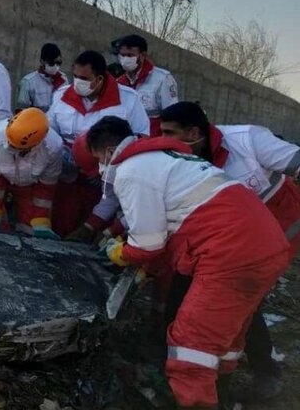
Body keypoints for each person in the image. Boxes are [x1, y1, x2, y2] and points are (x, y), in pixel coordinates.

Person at [88, 116, 289, 409]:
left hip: (231, 251)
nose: (99, 167)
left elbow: (147, 244)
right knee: (225, 337)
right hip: (264, 244)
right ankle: (222, 396)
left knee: (191, 346)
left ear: (106, 151)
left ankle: (199, 401)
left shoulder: (132, 170)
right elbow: (175, 227)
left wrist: (119, 253)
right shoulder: (168, 158)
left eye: (97, 159)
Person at [159, 101, 300, 398]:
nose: (164, 142)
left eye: (171, 134)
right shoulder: (179, 159)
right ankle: (183, 364)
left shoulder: (247, 140)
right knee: (189, 287)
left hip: (279, 228)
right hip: (225, 238)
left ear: (194, 132)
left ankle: (264, 370)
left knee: (246, 301)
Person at [46, 50, 149, 237]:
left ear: (100, 79)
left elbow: (140, 139)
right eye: (75, 76)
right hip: (67, 176)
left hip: (104, 179)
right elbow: (49, 133)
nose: (78, 82)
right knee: (60, 224)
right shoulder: (61, 96)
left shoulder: (128, 100)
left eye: (84, 78)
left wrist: (110, 168)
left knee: (95, 229)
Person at [0, 108, 62, 239]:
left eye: (17, 148)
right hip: (1, 180)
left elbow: (46, 187)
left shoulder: (53, 147)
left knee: (31, 230)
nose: (11, 148)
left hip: (31, 186)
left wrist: (41, 220)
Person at [116, 34, 179, 136]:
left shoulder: (162, 79)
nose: (125, 59)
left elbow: (173, 115)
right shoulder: (119, 83)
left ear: (142, 55)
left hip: (153, 142)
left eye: (130, 55)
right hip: (127, 141)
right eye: (122, 55)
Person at [16, 43, 69, 112]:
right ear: (42, 61)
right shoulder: (28, 82)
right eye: (51, 63)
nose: (55, 66)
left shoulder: (63, 80)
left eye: (58, 63)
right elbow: (21, 112)